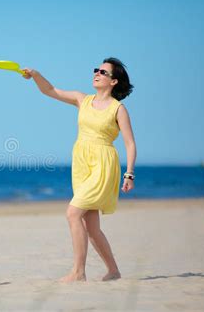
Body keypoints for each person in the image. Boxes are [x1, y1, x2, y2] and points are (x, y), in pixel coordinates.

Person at [23, 57, 137, 282]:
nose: (97, 73)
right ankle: (113, 270)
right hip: (81, 163)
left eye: (103, 72)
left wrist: (129, 173)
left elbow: (130, 143)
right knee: (91, 225)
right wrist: (35, 74)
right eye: (97, 70)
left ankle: (78, 272)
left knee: (73, 213)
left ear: (114, 81)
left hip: (103, 163)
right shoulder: (81, 99)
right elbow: (50, 90)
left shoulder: (118, 109)